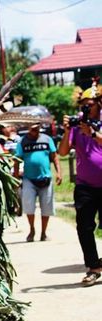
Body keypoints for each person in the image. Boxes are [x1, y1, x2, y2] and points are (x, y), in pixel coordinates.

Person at [59, 81, 102, 286]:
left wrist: (93, 133)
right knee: (84, 227)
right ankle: (93, 267)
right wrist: (68, 130)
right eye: (83, 104)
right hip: (85, 185)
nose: (86, 107)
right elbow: (63, 152)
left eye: (90, 104)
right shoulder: (77, 125)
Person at [14, 123, 62, 242]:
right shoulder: (22, 142)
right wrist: (15, 177)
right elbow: (17, 160)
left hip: (45, 178)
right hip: (29, 179)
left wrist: (59, 173)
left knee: (46, 207)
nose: (34, 130)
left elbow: (54, 157)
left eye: (36, 128)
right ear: (28, 127)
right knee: (29, 206)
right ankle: (32, 229)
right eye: (32, 128)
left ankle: (44, 233)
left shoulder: (47, 139)